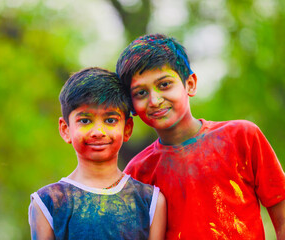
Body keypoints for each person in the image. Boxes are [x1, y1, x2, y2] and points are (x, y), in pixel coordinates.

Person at [115, 33, 285, 239]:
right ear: (131, 106)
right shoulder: (137, 172)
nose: (155, 100)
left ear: (190, 84)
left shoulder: (242, 137)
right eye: (141, 93)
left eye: (164, 84)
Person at [28, 67, 166, 240]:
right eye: (85, 120)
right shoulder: (48, 202)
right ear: (65, 130)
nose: (98, 131)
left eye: (110, 120)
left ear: (127, 128)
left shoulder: (149, 201)